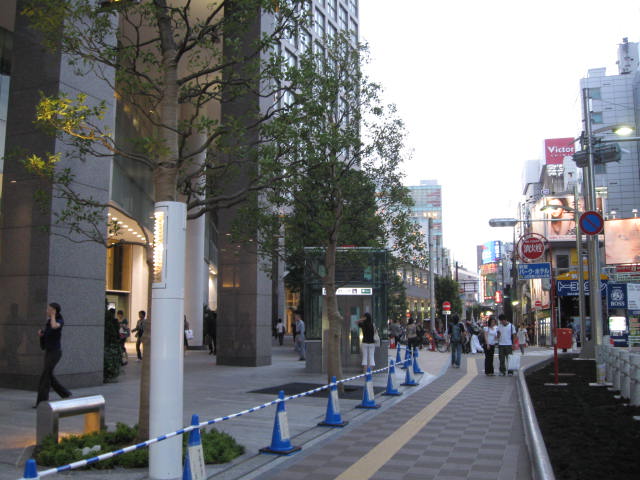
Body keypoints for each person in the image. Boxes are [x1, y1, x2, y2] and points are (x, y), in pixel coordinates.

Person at [35, 302, 72, 407]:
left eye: (49, 309)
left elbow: (54, 326)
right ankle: (65, 393)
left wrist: (53, 316)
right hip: (49, 351)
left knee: (45, 376)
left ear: (54, 311)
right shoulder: (49, 321)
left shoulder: (59, 320)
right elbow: (49, 332)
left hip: (55, 352)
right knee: (49, 375)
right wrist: (42, 334)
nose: (47, 311)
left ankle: (42, 402)